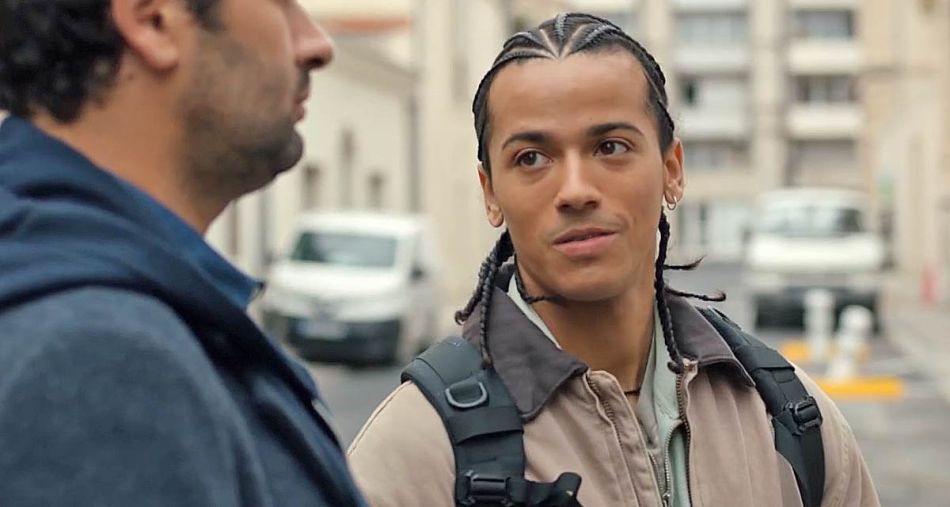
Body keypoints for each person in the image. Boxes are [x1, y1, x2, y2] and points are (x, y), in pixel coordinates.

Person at [347, 12, 879, 507]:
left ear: (672, 169)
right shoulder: (418, 451)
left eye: (610, 147)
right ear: (490, 192)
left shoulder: (786, 415)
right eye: (531, 158)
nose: (576, 190)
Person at [0, 1, 365, 505]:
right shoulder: (101, 358)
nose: (317, 45)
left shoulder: (93, 301)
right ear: (154, 20)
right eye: (281, 5)